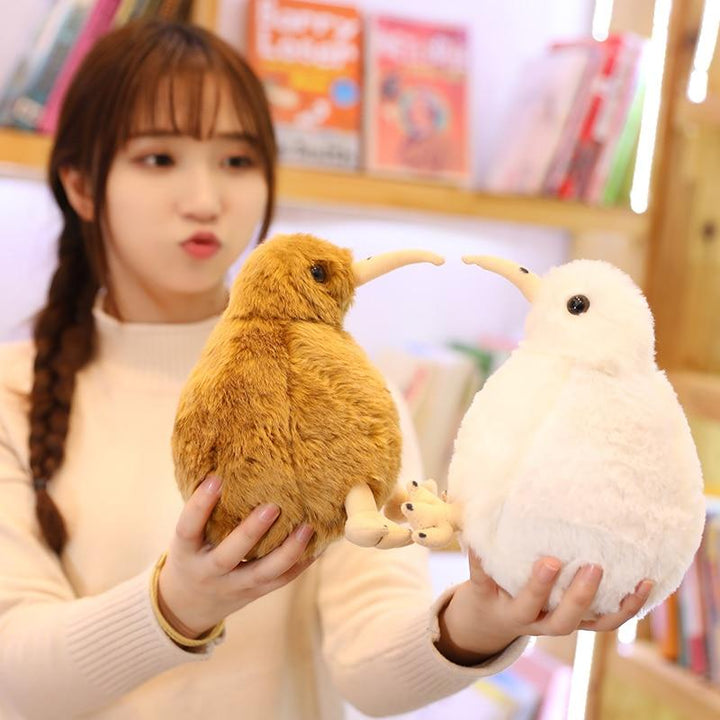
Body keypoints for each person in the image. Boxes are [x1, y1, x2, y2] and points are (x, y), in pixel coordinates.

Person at [0, 20, 652, 720]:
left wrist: (478, 622)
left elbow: (368, 664)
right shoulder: (13, 393)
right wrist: (176, 604)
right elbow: (15, 675)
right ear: (81, 185)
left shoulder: (341, 387)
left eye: (237, 160)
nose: (205, 199)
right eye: (159, 158)